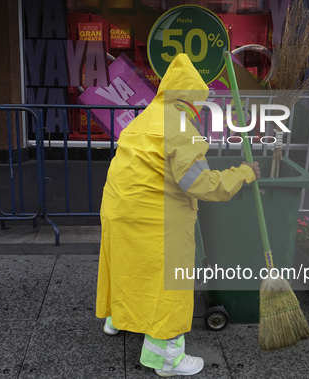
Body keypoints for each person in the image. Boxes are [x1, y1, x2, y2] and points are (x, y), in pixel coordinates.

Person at [96, 54, 261, 377]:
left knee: (128, 266)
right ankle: (167, 358)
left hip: (119, 209)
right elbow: (198, 183)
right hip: (156, 217)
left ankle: (118, 319)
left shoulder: (146, 117)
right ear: (192, 98)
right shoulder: (182, 126)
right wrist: (243, 173)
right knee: (167, 284)